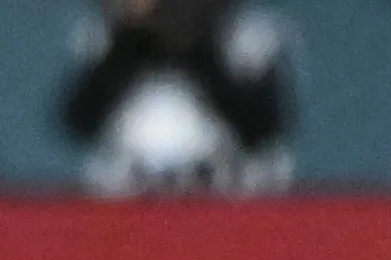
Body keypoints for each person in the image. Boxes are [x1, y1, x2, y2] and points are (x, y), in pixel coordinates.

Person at [60, 0, 294, 197]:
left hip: (222, 196)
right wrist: (136, 37)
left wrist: (192, 42)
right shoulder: (105, 37)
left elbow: (261, 127)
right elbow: (80, 118)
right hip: (130, 198)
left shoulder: (251, 36)